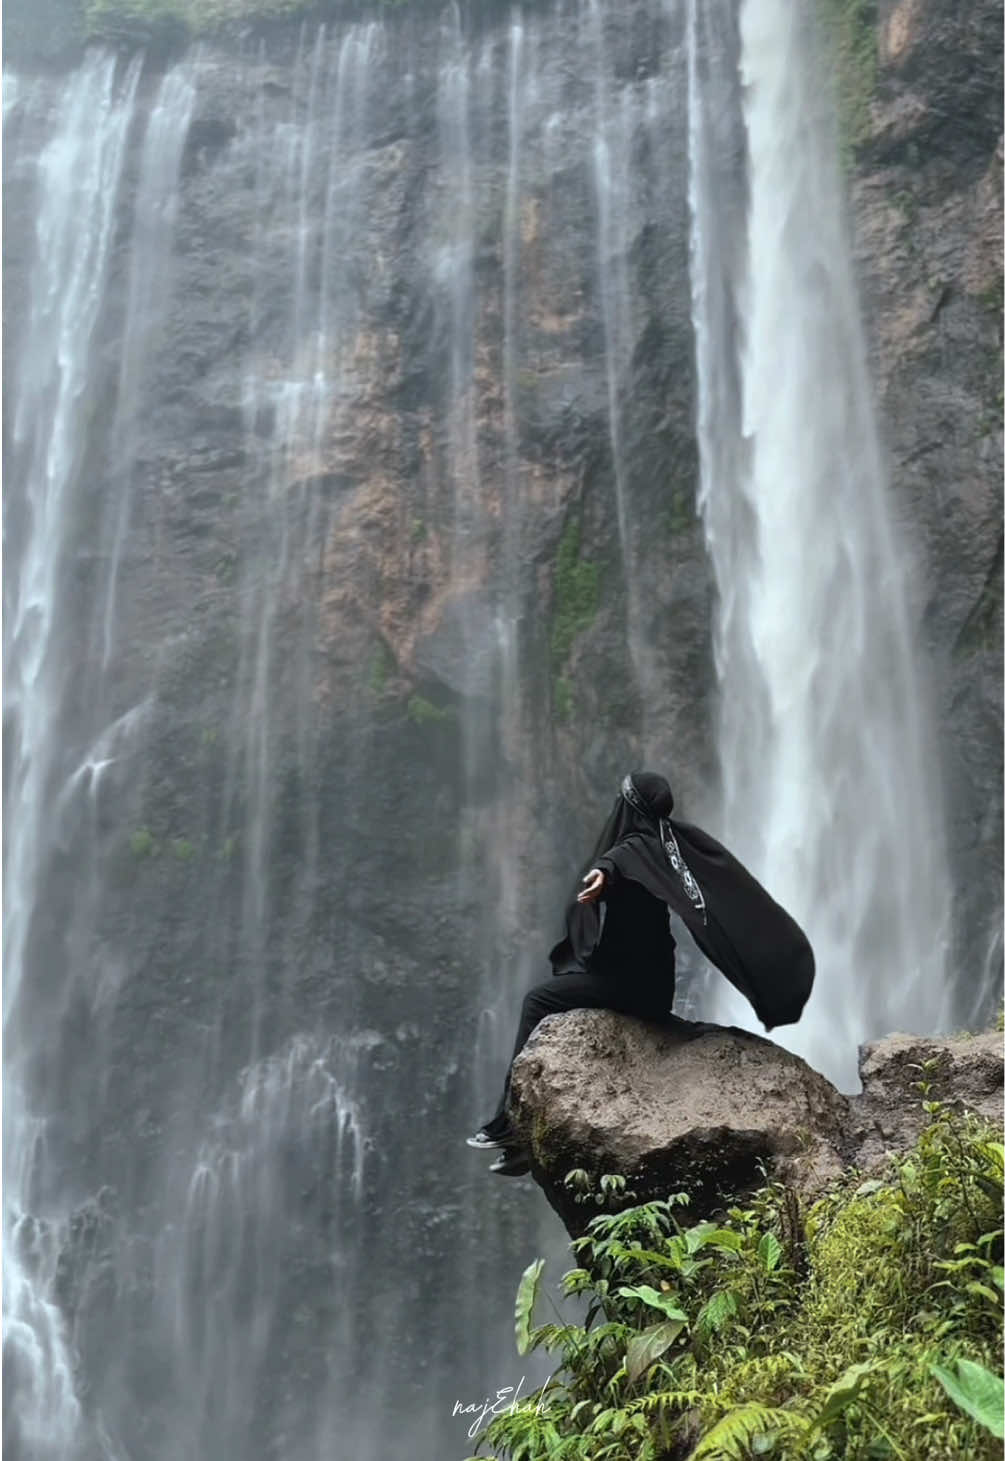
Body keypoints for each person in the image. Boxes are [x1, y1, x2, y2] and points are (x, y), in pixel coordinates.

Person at [466, 770, 815, 1176]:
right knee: (563, 987)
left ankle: (511, 1126)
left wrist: (603, 874)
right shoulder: (672, 848)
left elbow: (620, 858)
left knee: (538, 1000)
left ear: (629, 809)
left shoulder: (636, 850)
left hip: (630, 989)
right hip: (653, 989)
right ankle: (520, 1146)